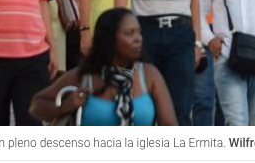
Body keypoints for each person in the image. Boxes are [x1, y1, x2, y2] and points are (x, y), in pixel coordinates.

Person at [30, 8, 178, 126]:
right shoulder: (84, 77)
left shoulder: (149, 74)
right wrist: (65, 106)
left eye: (139, 32)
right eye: (129, 33)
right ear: (109, 39)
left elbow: (170, 125)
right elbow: (36, 106)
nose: (138, 39)